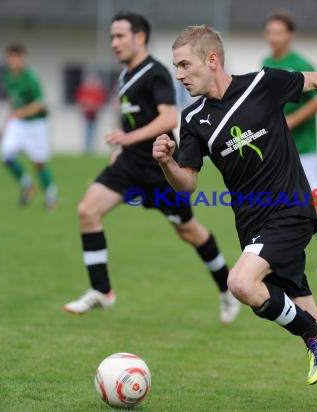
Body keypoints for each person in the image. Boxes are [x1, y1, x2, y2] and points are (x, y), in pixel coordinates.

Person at [153, 25, 317, 411]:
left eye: (184, 64)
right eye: (175, 66)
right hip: (253, 228)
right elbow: (186, 185)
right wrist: (165, 161)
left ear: (212, 60)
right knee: (311, 323)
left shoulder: (261, 83)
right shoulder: (193, 118)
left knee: (241, 283)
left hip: (292, 211)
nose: (179, 74)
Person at [64, 12, 241, 325]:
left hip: (159, 171)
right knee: (87, 211)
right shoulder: (125, 75)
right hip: (129, 165)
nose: (114, 43)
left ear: (139, 37)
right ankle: (101, 291)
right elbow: (132, 121)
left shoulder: (155, 72)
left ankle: (227, 290)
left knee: (190, 232)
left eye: (120, 36)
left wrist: (128, 138)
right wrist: (123, 148)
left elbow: (168, 118)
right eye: (112, 38)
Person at [263, 10, 317, 277]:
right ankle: (273, 256)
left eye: (278, 32)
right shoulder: (265, 61)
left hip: (304, 148)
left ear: (290, 35)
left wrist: (291, 121)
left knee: (314, 204)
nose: (273, 37)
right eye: (270, 32)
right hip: (278, 148)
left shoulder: (300, 62)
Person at [0, 43, 58, 210]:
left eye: (15, 57)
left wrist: (19, 113)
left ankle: (50, 194)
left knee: (38, 162)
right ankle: (28, 185)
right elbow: (13, 99)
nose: (12, 61)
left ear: (22, 58)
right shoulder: (8, 77)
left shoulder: (30, 78)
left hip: (36, 123)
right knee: (6, 154)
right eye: (9, 57)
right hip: (19, 123)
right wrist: (10, 114)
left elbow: (40, 104)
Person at [75, 73, 107, 154]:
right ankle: (87, 148)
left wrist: (93, 105)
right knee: (87, 130)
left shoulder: (98, 90)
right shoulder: (84, 89)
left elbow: (101, 101)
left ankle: (91, 148)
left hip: (95, 114)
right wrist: (86, 104)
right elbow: (79, 99)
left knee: (93, 130)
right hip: (86, 114)